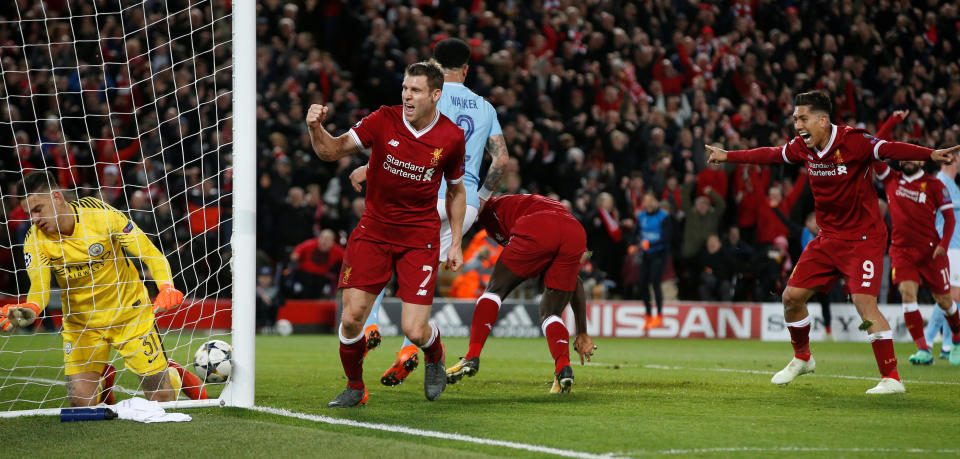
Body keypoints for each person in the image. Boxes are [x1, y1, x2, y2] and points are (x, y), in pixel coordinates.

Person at [706, 90, 957, 394]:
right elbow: (771, 154)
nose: (797, 123)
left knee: (864, 303)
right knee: (791, 298)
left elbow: (889, 148)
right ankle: (803, 358)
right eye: (795, 117)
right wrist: (728, 155)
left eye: (803, 117)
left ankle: (892, 378)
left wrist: (929, 154)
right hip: (827, 239)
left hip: (863, 239)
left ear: (823, 120)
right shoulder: (803, 147)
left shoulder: (854, 141)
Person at [306, 61, 468, 408]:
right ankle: (354, 387)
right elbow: (330, 151)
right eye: (405, 88)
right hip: (374, 230)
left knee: (414, 330)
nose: (407, 96)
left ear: (435, 95)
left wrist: (455, 241)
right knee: (351, 319)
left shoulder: (451, 137)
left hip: (419, 237)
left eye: (416, 90)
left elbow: (455, 191)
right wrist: (315, 127)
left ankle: (435, 355)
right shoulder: (383, 120)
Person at [350, 38, 509, 387]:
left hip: (419, 192)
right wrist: (480, 199)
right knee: (421, 278)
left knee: (382, 254)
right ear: (467, 70)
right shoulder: (485, 107)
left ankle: (371, 323)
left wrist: (369, 168)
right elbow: (501, 159)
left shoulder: (426, 95)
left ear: (433, 67)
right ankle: (410, 348)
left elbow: (403, 143)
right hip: (461, 201)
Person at [1, 171, 206, 406]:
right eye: (29, 214)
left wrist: (166, 287)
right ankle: (103, 378)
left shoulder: (100, 214)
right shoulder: (34, 239)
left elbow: (151, 254)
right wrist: (32, 306)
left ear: (57, 197)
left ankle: (173, 373)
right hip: (82, 324)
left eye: (38, 209)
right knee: (81, 405)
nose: (34, 219)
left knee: (162, 399)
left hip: (129, 313)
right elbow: (39, 285)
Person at [444, 194, 596, 393]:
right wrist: (582, 331)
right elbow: (576, 282)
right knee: (551, 312)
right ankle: (563, 369)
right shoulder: (517, 205)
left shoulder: (491, 211)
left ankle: (472, 356)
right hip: (574, 230)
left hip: (540, 224)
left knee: (495, 290)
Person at [873, 110, 960, 365]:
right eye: (905, 157)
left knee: (945, 301)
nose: (909, 160)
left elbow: (951, 219)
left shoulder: (935, 186)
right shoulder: (891, 179)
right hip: (902, 250)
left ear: (922, 160)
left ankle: (956, 336)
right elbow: (873, 149)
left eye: (914, 156)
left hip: (932, 250)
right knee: (907, 293)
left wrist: (943, 245)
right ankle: (923, 349)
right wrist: (890, 122)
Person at [929, 148, 960, 360]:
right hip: (948, 247)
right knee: (950, 297)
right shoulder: (939, 181)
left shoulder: (953, 186)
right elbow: (938, 208)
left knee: (953, 299)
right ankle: (928, 340)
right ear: (952, 159)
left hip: (957, 246)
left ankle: (947, 345)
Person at [635, 192, 672, 328]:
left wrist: (650, 244)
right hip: (646, 255)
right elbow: (636, 233)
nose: (648, 204)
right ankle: (649, 315)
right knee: (642, 283)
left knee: (655, 282)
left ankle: (660, 315)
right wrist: (633, 244)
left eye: (651, 200)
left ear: (657, 202)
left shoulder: (664, 217)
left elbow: (667, 238)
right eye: (646, 201)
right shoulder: (642, 216)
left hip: (659, 254)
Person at [288, 229, 343, 298]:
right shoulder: (310, 244)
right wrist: (295, 256)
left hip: (322, 277)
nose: (324, 242)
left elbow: (348, 260)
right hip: (305, 275)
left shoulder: (337, 250)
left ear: (332, 242)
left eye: (327, 240)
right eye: (322, 238)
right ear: (318, 238)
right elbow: (296, 253)